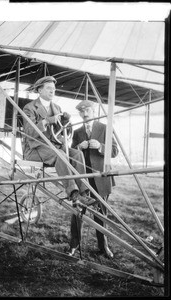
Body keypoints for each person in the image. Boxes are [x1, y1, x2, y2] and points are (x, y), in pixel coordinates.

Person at [22, 76, 92, 206]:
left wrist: (64, 122)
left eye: (53, 89)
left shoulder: (57, 108)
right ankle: (73, 193)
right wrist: (47, 121)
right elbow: (29, 131)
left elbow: (59, 130)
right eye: (48, 88)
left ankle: (84, 192)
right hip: (35, 149)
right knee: (61, 154)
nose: (52, 91)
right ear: (39, 90)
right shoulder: (29, 108)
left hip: (54, 147)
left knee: (77, 154)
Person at [69, 99, 119, 258]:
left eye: (87, 111)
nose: (84, 114)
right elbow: (70, 154)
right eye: (81, 111)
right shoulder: (77, 132)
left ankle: (103, 247)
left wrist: (100, 146)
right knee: (77, 213)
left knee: (101, 214)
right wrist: (78, 147)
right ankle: (74, 245)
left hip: (101, 178)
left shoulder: (105, 128)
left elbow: (115, 151)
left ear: (94, 111)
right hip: (83, 179)